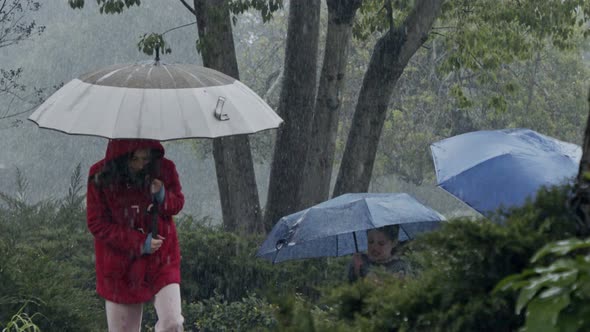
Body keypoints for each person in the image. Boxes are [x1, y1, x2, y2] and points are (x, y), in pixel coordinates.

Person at [86, 139, 185, 331]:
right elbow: (97, 223)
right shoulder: (100, 176)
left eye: (145, 159)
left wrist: (162, 194)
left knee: (173, 323)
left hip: (162, 259)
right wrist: (139, 242)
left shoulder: (164, 168)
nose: (141, 164)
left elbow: (177, 203)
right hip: (120, 266)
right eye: (135, 159)